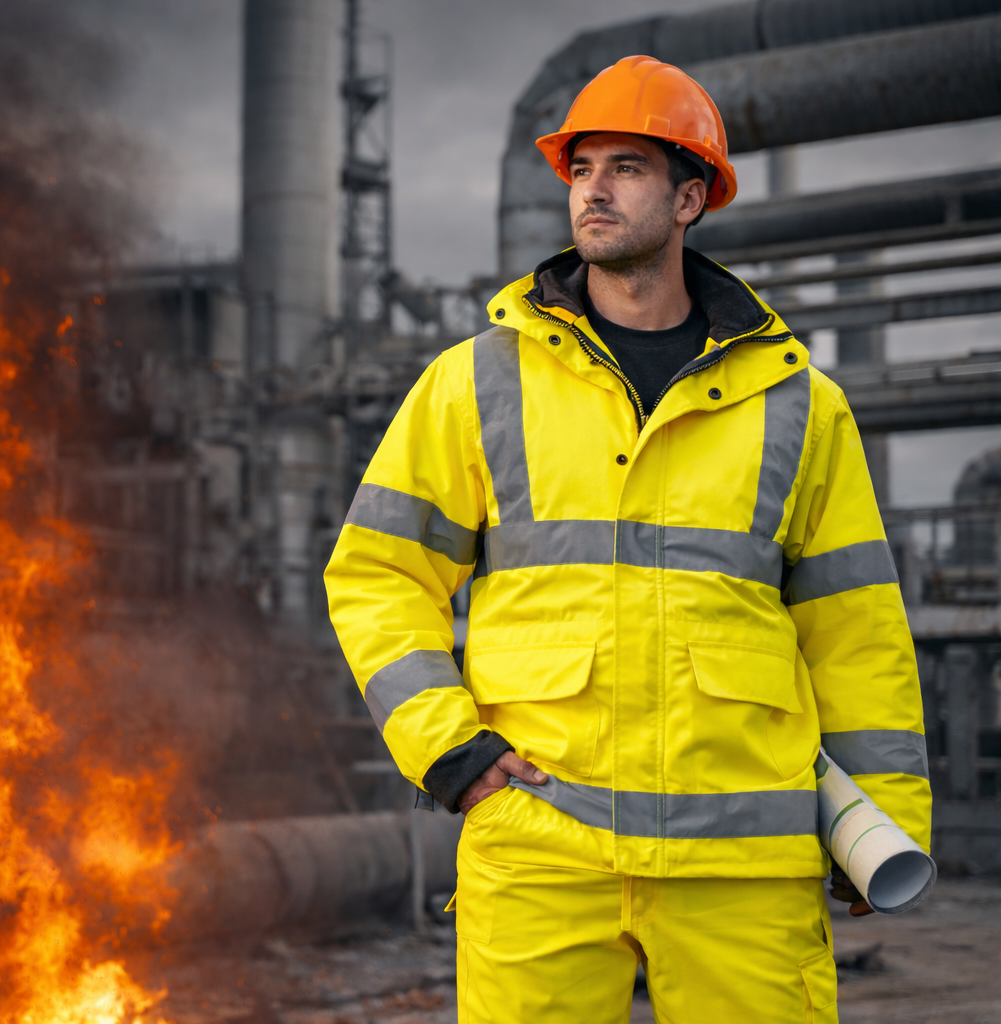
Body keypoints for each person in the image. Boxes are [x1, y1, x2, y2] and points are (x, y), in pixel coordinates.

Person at [324, 55, 929, 1023]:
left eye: (626, 168)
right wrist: (451, 750)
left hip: (742, 866)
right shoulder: (476, 383)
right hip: (541, 849)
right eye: (580, 168)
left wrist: (885, 815)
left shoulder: (800, 406)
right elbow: (377, 573)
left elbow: (855, 627)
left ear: (691, 198)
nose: (594, 189)